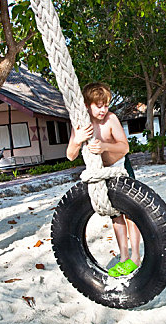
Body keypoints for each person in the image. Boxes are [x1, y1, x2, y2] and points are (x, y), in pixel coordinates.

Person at [66, 82, 141, 277]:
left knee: (130, 213)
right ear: (88, 105)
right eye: (98, 105)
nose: (103, 110)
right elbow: (70, 155)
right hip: (103, 173)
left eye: (105, 105)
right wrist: (77, 139)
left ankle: (135, 257)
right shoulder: (81, 124)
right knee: (116, 214)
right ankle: (124, 257)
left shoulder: (111, 120)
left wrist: (105, 147)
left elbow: (124, 147)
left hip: (120, 169)